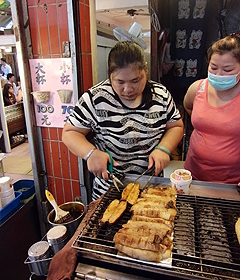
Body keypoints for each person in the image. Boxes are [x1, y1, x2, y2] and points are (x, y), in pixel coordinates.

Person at [62, 41, 184, 200]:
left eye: (135, 80)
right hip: (109, 188)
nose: (128, 89)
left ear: (145, 69)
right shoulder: (95, 98)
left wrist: (164, 148)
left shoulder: (160, 95)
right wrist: (90, 153)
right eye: (119, 82)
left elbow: (176, 126)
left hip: (151, 186)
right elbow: (69, 132)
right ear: (110, 75)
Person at [184, 33, 240, 185]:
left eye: (227, 70)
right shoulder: (197, 88)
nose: (219, 74)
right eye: (213, 67)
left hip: (232, 182)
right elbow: (189, 108)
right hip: (193, 174)